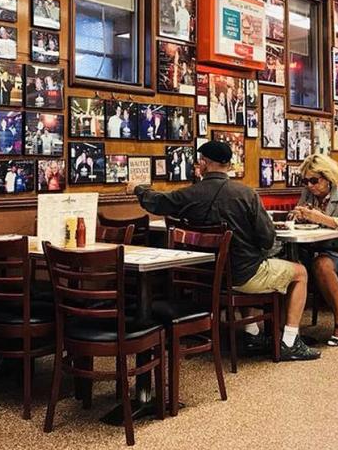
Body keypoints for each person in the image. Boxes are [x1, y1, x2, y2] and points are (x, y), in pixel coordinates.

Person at [128, 140, 319, 361]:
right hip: (242, 276)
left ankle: (252, 333)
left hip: (205, 276)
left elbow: (158, 202)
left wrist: (137, 189)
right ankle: (290, 341)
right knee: (300, 272)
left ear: (204, 163)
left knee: (247, 262)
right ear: (228, 165)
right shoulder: (246, 194)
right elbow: (267, 240)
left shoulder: (189, 194)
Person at [290, 155, 338, 346]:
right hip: (314, 248)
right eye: (305, 181)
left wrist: (322, 219)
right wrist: (298, 216)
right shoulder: (307, 194)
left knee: (321, 265)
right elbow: (296, 213)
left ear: (328, 177)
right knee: (289, 265)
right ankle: (288, 329)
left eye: (314, 180)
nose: (310, 185)